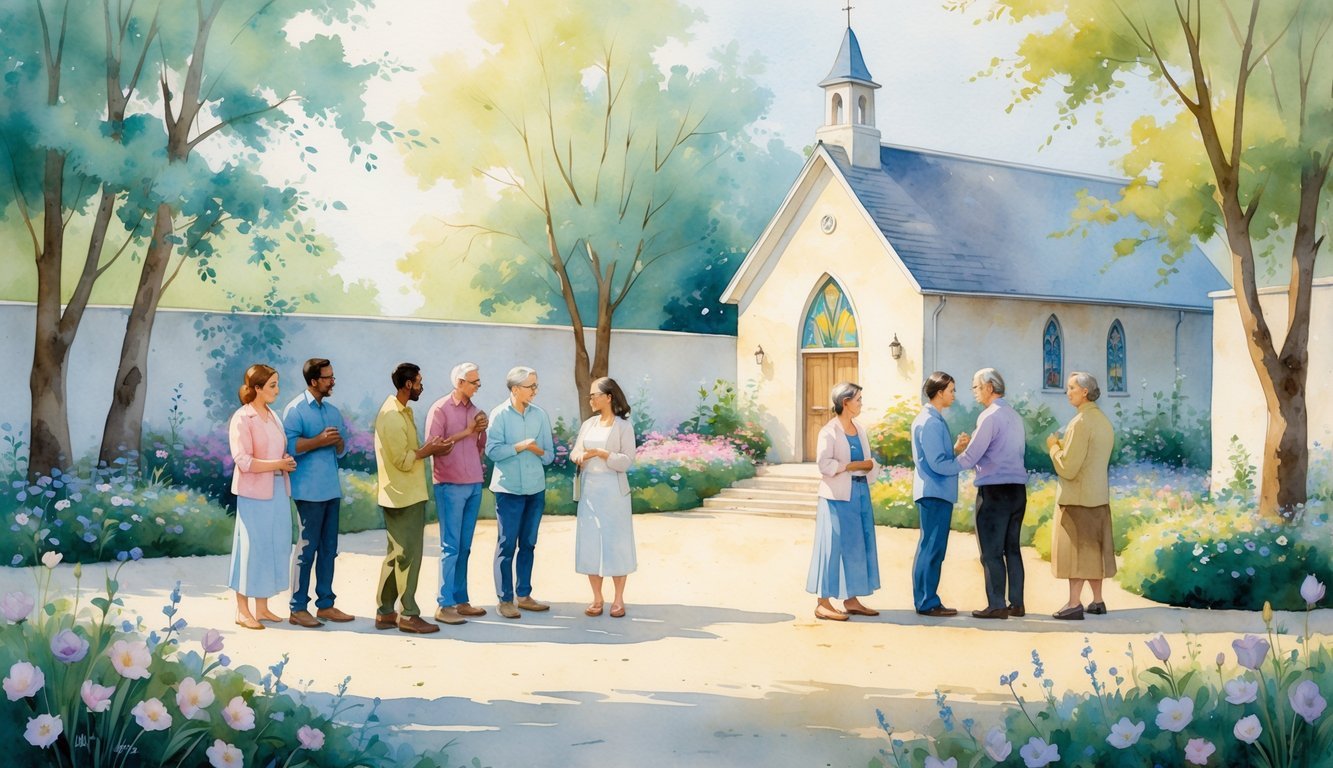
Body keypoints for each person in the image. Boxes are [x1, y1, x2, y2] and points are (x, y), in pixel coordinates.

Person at [373, 363, 452, 634]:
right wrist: (427, 450)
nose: (421, 386)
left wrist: (428, 449)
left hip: (401, 494)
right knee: (408, 557)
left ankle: (385, 612)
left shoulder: (400, 410)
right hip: (403, 495)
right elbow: (403, 460)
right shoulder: (393, 415)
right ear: (408, 384)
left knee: (396, 555)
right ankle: (408, 614)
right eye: (419, 382)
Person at [282, 357, 355, 628]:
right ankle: (297, 608)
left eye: (333, 376)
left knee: (329, 550)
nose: (332, 381)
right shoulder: (295, 410)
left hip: (330, 490)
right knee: (306, 549)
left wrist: (337, 444)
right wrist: (319, 441)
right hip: (308, 491)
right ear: (314, 381)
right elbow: (289, 447)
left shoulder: (333, 411)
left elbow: (342, 449)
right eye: (328, 377)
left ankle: (326, 605)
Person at [955, 368, 1028, 620]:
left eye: (976, 387)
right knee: (1013, 549)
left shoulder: (989, 417)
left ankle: (997, 604)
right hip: (1018, 490)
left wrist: (948, 464)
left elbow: (971, 456)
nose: (974, 392)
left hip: (995, 491)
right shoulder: (1014, 416)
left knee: (991, 551)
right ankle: (1016, 603)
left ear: (988, 387)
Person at [227, 364, 296, 630]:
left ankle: (262, 607)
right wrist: (277, 464)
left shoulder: (273, 416)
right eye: (272, 385)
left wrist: (284, 462)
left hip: (277, 490)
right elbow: (243, 460)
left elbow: (278, 454)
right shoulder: (242, 418)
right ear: (257, 388)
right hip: (253, 493)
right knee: (251, 549)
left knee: (272, 546)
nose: (277, 390)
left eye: (277, 384)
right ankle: (242, 610)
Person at [807, 382, 882, 621]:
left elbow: (867, 461)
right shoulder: (828, 431)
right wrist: (851, 466)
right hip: (837, 497)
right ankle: (823, 603)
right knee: (832, 548)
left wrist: (866, 466)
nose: (861, 403)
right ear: (845, 402)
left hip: (859, 494)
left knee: (858, 546)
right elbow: (824, 465)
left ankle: (851, 599)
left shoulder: (859, 429)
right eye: (858, 399)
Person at [485, 366, 555, 620]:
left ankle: (523, 596)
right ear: (515, 389)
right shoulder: (499, 414)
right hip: (508, 489)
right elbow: (492, 451)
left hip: (535, 489)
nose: (535, 391)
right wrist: (519, 447)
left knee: (528, 543)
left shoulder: (540, 415)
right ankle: (505, 600)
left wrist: (535, 450)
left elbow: (549, 455)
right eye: (531, 386)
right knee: (506, 544)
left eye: (536, 386)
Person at [1046, 372, 1116, 620]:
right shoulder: (1103, 421)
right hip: (1098, 496)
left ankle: (1074, 603)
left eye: (1072, 388)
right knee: (1094, 551)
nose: (1068, 392)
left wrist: (1054, 446)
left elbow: (1068, 467)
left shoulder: (1080, 422)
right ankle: (1097, 601)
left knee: (1077, 552)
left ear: (1085, 391)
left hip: (1078, 499)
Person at [425, 362, 490, 626]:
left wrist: (481, 429)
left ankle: (461, 600)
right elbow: (432, 446)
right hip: (449, 484)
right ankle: (444, 604)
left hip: (473, 483)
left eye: (478, 382)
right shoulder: (440, 409)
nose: (477, 386)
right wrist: (468, 432)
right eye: (473, 382)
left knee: (465, 546)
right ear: (459, 383)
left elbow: (480, 446)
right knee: (450, 546)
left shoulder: (476, 411)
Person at [570, 377, 638, 618]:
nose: (590, 399)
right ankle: (597, 598)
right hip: (590, 491)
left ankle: (618, 599)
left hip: (614, 493)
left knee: (616, 543)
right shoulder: (588, 425)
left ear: (608, 397)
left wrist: (602, 453)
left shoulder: (623, 427)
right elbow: (576, 450)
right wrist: (579, 456)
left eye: (594, 395)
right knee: (591, 543)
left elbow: (627, 460)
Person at [910, 372, 971, 617]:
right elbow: (937, 464)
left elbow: (935, 457)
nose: (954, 395)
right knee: (933, 548)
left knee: (930, 546)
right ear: (939, 392)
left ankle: (926, 599)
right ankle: (927, 601)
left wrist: (955, 450)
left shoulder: (929, 418)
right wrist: (963, 461)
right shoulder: (931, 422)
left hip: (932, 490)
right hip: (935, 491)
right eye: (951, 391)